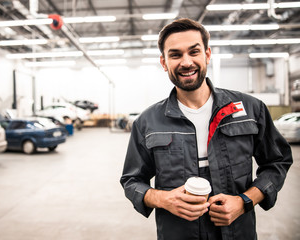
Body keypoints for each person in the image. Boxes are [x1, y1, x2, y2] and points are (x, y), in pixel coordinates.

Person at [120, 18, 293, 240]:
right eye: (175, 55)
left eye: (194, 52)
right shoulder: (147, 121)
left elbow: (277, 162)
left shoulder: (250, 109)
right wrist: (163, 199)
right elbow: (131, 181)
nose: (186, 62)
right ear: (164, 63)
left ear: (207, 55)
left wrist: (244, 201)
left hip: (238, 234)